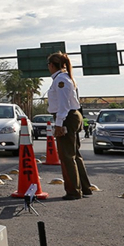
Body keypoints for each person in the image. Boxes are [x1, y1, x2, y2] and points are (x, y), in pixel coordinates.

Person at [47, 52, 92, 200]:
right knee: (74, 154)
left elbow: (63, 105)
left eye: (49, 65)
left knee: (67, 156)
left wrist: (59, 124)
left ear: (52, 65)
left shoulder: (61, 80)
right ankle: (84, 187)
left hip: (66, 117)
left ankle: (73, 191)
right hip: (71, 116)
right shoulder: (65, 78)